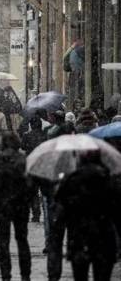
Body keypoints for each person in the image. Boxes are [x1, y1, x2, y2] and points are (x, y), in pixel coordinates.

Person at [55, 151, 121, 281]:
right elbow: (117, 213)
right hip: (104, 237)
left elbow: (61, 212)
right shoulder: (108, 179)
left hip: (78, 238)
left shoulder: (71, 180)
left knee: (80, 276)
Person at [0, 132, 32, 281]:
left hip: (1, 206)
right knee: (22, 240)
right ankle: (25, 275)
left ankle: (6, 274)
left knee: (3, 241)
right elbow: (31, 185)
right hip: (20, 205)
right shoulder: (24, 160)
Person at [21, 118, 46, 222]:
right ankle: (46, 212)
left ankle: (36, 214)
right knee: (45, 190)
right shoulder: (45, 135)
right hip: (43, 164)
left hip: (31, 164)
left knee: (33, 192)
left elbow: (22, 147)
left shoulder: (27, 135)